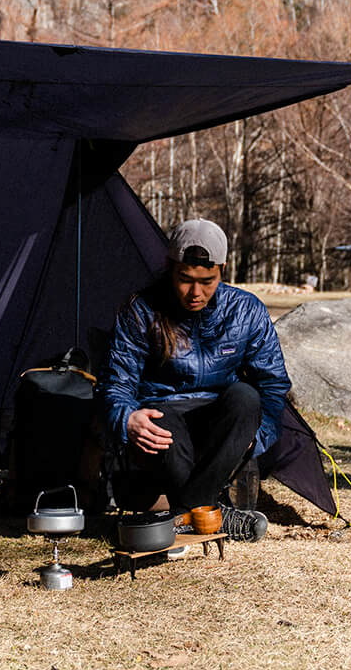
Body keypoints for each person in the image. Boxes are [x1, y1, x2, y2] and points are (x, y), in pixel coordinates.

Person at [100, 219, 287, 541]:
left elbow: (272, 383)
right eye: (185, 280)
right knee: (161, 420)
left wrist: (260, 434)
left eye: (207, 281)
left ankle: (184, 512)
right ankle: (210, 512)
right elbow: (116, 383)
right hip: (164, 417)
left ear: (223, 270)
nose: (195, 293)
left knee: (246, 397)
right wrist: (127, 419)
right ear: (170, 267)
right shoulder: (141, 310)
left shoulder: (246, 311)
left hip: (219, 423)